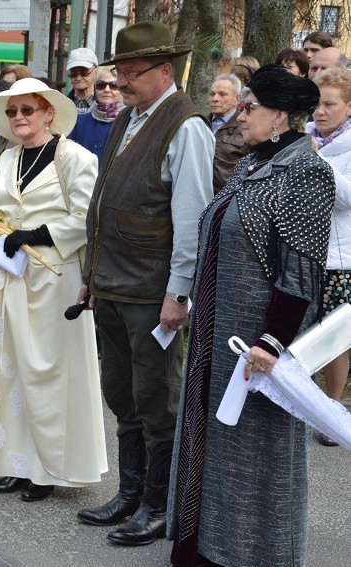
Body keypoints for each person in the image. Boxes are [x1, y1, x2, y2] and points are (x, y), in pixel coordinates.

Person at [168, 65, 332, 567]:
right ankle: (201, 544)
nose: (241, 115)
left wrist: (272, 340)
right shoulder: (252, 164)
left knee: (253, 451)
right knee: (212, 437)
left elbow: (301, 272)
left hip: (258, 341)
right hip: (218, 332)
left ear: (281, 114)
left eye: (251, 106)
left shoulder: (306, 172)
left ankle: (251, 554)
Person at [76, 21, 215, 546]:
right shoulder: (130, 118)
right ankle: (130, 493)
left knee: (158, 403)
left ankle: (160, 506)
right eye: (120, 73)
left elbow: (191, 220)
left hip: (153, 295)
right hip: (112, 287)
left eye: (131, 74)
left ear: (164, 71)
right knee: (121, 394)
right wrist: (90, 278)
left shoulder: (187, 127)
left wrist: (178, 294)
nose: (122, 83)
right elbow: (105, 205)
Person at [0, 77, 107, 502]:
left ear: (48, 111)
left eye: (27, 110)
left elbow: (87, 216)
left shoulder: (76, 157)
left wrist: (39, 232)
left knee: (48, 372)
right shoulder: (8, 157)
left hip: (55, 278)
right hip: (8, 275)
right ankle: (12, 462)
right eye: (12, 112)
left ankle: (49, 469)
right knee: (3, 366)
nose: (19, 118)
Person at [308, 67, 351, 446]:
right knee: (304, 330)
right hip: (305, 252)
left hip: (340, 257)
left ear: (349, 107)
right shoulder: (307, 137)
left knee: (335, 338)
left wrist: (317, 161)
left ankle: (333, 410)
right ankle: (303, 403)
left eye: (330, 104)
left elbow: (347, 198)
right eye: (317, 103)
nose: (320, 111)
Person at [69, 66, 124, 162]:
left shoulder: (130, 121)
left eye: (113, 85)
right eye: (101, 85)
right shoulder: (78, 122)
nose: (106, 90)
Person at [208, 73, 250, 193]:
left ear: (236, 99)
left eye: (222, 94)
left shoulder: (245, 127)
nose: (215, 98)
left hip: (227, 199)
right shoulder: (200, 124)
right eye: (212, 94)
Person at [65, 47, 98, 114]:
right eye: (73, 74)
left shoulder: (106, 104)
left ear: (95, 71)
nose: (78, 78)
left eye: (84, 72)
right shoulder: (61, 106)